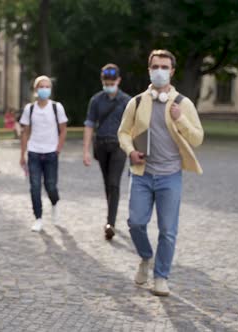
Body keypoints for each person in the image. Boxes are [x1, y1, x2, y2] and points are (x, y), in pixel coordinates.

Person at [118, 50, 204, 296]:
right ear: (149, 69)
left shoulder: (183, 104)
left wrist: (181, 120)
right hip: (142, 174)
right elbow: (123, 132)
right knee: (135, 223)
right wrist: (130, 150)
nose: (159, 71)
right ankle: (146, 258)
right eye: (155, 66)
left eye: (164, 67)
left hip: (170, 176)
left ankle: (161, 276)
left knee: (168, 230)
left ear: (172, 71)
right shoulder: (135, 102)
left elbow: (197, 138)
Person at [83, 64, 131, 240]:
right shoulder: (96, 100)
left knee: (114, 183)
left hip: (119, 146)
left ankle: (111, 223)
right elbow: (89, 125)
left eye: (112, 81)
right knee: (107, 184)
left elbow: (135, 126)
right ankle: (111, 214)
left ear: (118, 80)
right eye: (106, 82)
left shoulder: (127, 101)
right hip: (102, 145)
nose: (109, 84)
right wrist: (86, 151)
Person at [19, 75, 68, 232]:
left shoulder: (56, 107)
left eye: (47, 87)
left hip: (51, 153)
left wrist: (58, 149)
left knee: (51, 186)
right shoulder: (30, 109)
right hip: (34, 152)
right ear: (36, 89)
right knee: (34, 186)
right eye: (42, 87)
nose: (44, 89)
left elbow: (63, 129)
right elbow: (25, 132)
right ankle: (38, 218)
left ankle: (55, 204)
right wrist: (22, 154)